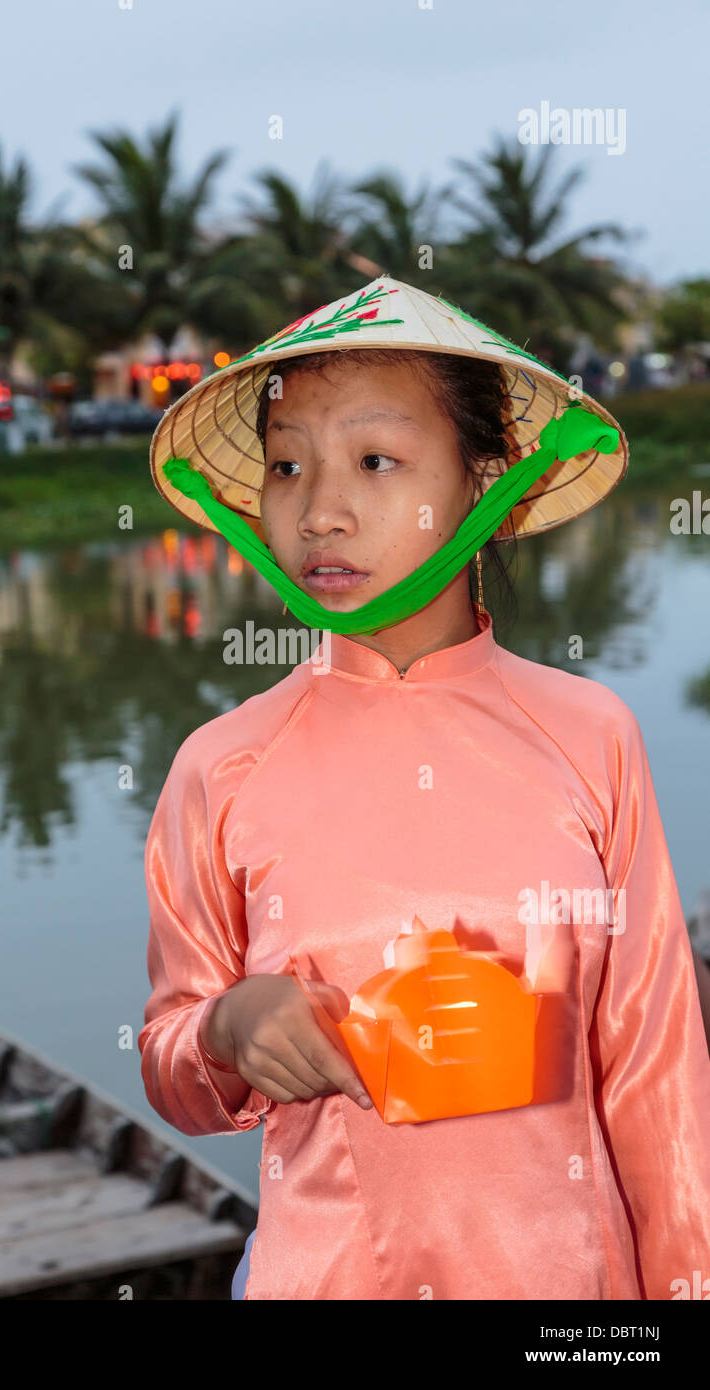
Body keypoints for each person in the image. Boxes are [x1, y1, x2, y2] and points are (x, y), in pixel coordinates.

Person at [138, 276, 710, 1300]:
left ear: (482, 476)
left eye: (374, 460)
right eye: (285, 466)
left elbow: (653, 1072)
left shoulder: (591, 737)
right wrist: (227, 1027)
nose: (318, 510)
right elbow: (173, 1062)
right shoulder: (218, 764)